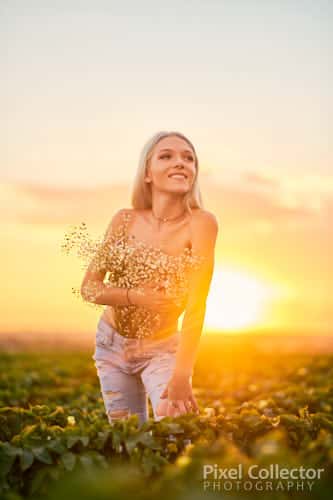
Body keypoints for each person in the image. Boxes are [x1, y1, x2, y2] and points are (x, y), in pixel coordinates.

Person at [80, 130, 219, 425]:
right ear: (147, 173)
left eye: (188, 158)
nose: (180, 163)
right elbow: (89, 288)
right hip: (111, 346)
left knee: (175, 425)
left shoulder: (202, 224)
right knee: (128, 440)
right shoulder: (124, 220)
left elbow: (197, 306)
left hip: (162, 348)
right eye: (166, 156)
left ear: (194, 173)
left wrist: (182, 374)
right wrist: (135, 296)